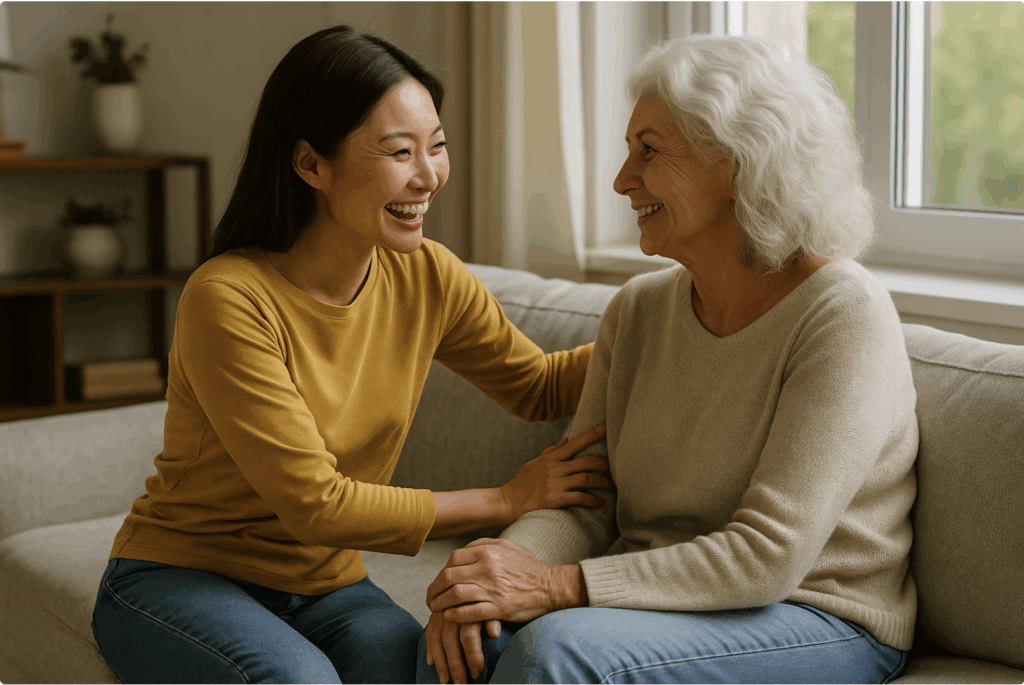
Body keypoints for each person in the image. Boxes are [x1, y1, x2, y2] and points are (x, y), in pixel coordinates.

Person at [90, 26, 613, 685]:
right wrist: (506, 499)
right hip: (180, 576)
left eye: (437, 145)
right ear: (311, 165)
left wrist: (664, 318)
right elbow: (317, 505)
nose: (429, 175)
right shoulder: (228, 298)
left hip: (325, 586)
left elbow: (536, 386)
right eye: (400, 152)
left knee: (452, 669)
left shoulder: (426, 275)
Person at [419, 33, 918, 685]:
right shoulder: (638, 311)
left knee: (554, 654)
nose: (622, 180)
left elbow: (768, 556)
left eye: (648, 152)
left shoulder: (843, 313)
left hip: (814, 613)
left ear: (739, 162)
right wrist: (490, 577)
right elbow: (583, 499)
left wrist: (556, 585)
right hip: (660, 603)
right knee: (465, 637)